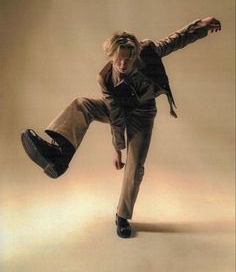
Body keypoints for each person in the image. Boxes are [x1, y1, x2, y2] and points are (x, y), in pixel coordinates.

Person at [21, 16, 221, 238]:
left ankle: (122, 216)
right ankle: (59, 155)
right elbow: (115, 115)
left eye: (127, 60)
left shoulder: (147, 52)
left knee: (135, 167)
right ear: (111, 56)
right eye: (118, 60)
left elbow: (176, 40)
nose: (122, 65)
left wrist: (202, 25)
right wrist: (117, 148)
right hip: (119, 110)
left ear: (134, 55)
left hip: (143, 114)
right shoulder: (105, 79)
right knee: (81, 104)